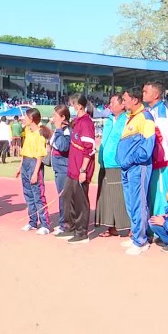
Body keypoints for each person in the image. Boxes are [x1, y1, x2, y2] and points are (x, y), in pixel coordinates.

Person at [118, 89, 156, 256]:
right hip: (127, 167)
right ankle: (136, 235)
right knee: (130, 203)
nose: (123, 102)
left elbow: (147, 147)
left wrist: (130, 159)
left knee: (138, 204)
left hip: (138, 167)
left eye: (125, 99)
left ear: (134, 100)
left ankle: (141, 241)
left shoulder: (146, 118)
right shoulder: (131, 118)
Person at [59, 94, 96, 244]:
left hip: (80, 169)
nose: (71, 106)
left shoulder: (86, 123)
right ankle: (70, 227)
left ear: (79, 105)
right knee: (67, 197)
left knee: (81, 201)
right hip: (72, 169)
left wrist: (83, 170)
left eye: (72, 104)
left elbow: (89, 148)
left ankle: (82, 233)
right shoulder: (77, 121)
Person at [94, 94, 131, 238]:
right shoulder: (109, 120)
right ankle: (111, 226)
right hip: (105, 163)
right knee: (106, 196)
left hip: (117, 164)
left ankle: (128, 226)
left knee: (119, 196)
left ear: (122, 105)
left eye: (113, 102)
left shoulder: (127, 120)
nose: (110, 105)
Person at [143, 81, 168, 227]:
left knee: (159, 196)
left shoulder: (161, 112)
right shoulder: (152, 110)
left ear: (156, 95)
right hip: (154, 160)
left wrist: (163, 156)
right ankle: (152, 227)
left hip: (161, 161)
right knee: (152, 194)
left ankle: (160, 229)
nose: (143, 94)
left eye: (146, 91)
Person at [16, 108, 51, 235]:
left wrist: (35, 173)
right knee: (28, 195)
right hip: (26, 163)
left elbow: (40, 155)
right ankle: (32, 221)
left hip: (34, 164)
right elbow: (24, 151)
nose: (23, 119)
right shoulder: (27, 131)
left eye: (25, 117)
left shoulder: (39, 134)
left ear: (31, 119)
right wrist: (20, 167)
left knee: (38, 195)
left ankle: (45, 224)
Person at [48, 106, 71, 236]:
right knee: (62, 197)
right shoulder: (60, 130)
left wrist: (58, 129)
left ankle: (66, 224)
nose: (53, 118)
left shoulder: (66, 131)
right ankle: (63, 222)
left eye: (55, 116)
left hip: (64, 169)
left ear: (63, 117)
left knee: (65, 198)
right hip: (59, 169)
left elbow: (63, 146)